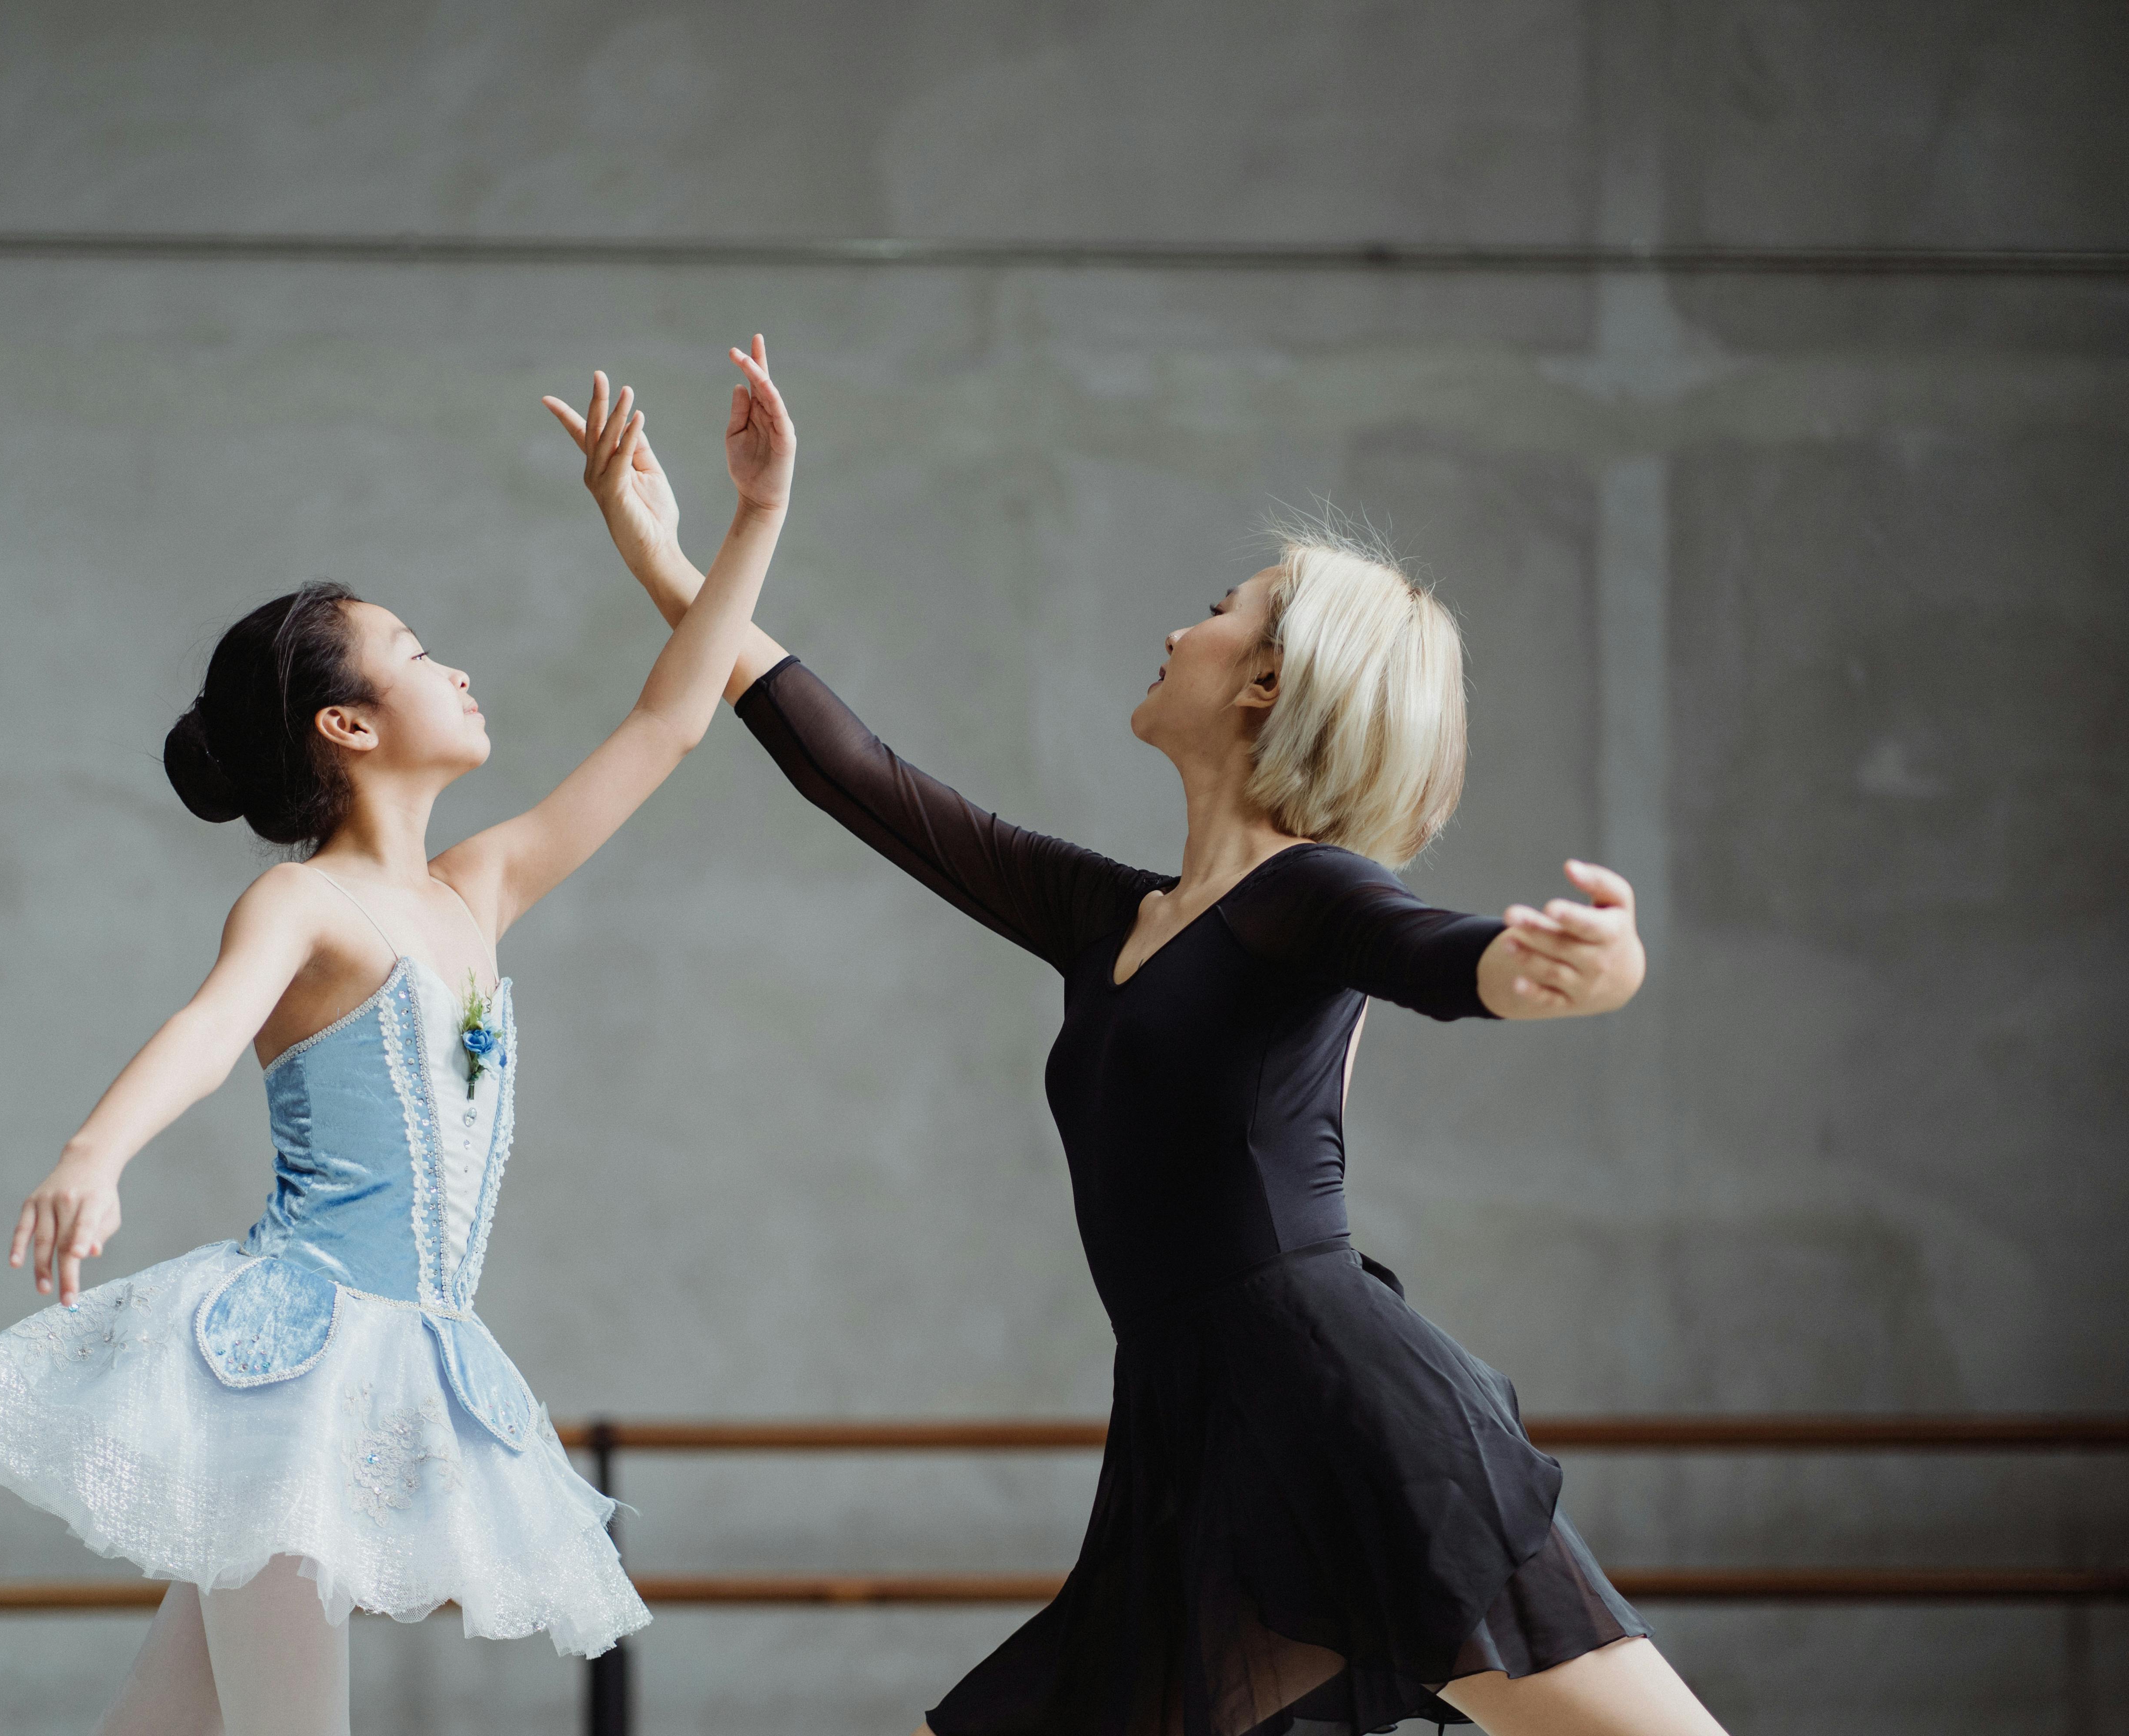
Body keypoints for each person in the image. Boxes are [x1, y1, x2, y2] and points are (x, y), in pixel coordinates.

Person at [546, 342, 1729, 1736]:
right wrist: (690, 558)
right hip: (1197, 1440)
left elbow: (1454, 961)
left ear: (1268, 690)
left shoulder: (1311, 895)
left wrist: (1587, 971)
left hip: (1342, 1411)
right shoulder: (1113, 915)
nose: (1180, 629)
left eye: (1217, 611)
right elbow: (856, 774)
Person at [0, 341, 796, 1736]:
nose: (457, 668)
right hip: (287, 1369)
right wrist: (97, 1150)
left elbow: (674, 718)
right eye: (415, 654)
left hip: (386, 1357)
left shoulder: (479, 889)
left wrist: (738, 523)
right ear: (349, 723)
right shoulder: (306, 901)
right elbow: (212, 1027)